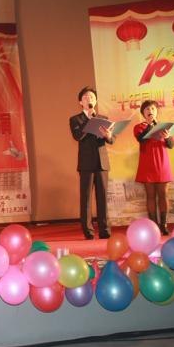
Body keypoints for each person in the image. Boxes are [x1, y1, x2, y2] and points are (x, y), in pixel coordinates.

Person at [69, 86, 115, 240]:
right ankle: (88, 231)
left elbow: (112, 140)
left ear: (95, 101)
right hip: (86, 164)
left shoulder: (103, 118)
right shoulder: (76, 119)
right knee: (86, 199)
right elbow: (78, 136)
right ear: (80, 102)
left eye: (92, 97)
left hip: (102, 163)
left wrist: (108, 135)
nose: (89, 99)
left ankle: (105, 230)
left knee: (103, 198)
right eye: (86, 97)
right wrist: (89, 121)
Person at [134, 100, 174, 235]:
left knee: (163, 195)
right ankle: (153, 226)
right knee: (150, 196)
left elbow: (171, 145)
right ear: (143, 113)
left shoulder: (164, 127)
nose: (150, 111)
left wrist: (167, 137)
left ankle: (163, 224)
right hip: (147, 165)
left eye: (152, 109)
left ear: (157, 111)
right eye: (147, 109)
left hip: (162, 163)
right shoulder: (139, 127)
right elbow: (141, 139)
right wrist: (151, 125)